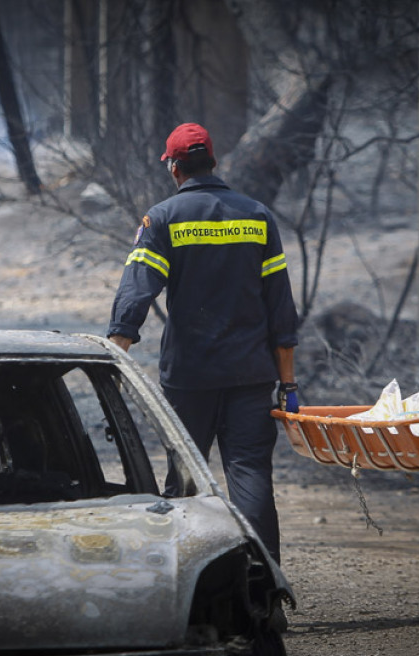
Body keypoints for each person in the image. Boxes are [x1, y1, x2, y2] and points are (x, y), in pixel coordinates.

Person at [107, 123, 300, 565]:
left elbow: (136, 293)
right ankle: (263, 581)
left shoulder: (163, 218)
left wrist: (113, 361)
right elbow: (281, 307)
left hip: (189, 377)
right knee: (251, 475)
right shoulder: (257, 217)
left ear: (174, 168)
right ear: (213, 161)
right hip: (251, 375)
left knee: (184, 481)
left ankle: (181, 576)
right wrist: (288, 384)